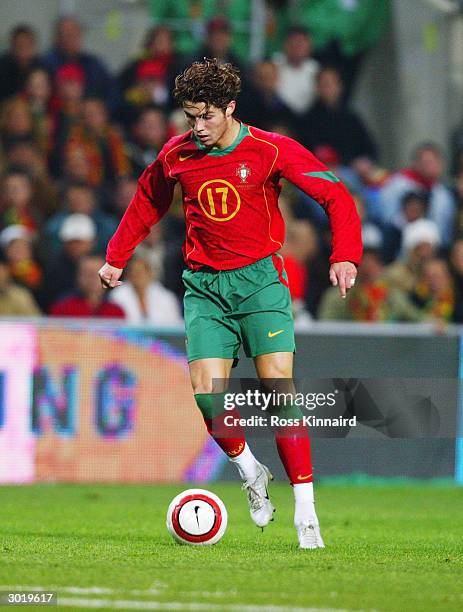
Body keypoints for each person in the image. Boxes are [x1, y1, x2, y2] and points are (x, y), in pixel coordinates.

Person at [98, 58, 362, 549]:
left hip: (260, 281)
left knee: (278, 389)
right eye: (190, 117)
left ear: (230, 108)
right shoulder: (177, 153)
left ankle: (306, 514)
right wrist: (117, 256)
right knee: (206, 392)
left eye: (206, 117)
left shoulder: (268, 148)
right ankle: (249, 469)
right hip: (203, 287)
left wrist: (345, 255)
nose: (197, 127)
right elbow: (147, 200)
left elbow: (336, 196)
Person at [109, 255, 182, 325]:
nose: (137, 276)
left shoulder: (166, 297)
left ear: (150, 274)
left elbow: (174, 324)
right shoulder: (117, 295)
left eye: (140, 272)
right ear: (128, 275)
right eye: (134, 272)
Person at [50, 254, 124, 318]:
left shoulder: (116, 311)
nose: (93, 277)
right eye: (87, 273)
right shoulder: (63, 307)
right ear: (78, 277)